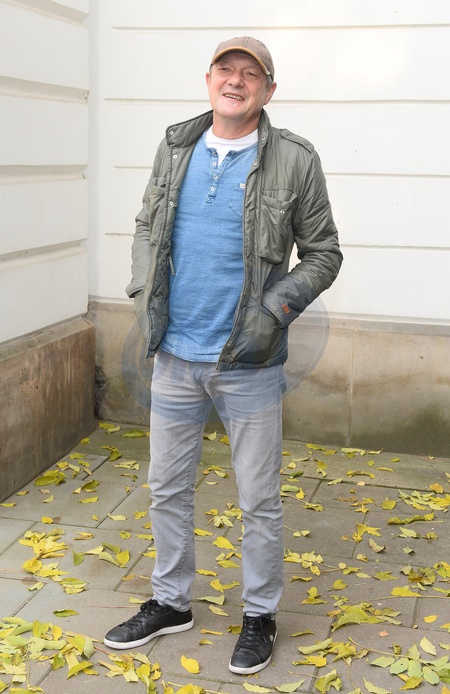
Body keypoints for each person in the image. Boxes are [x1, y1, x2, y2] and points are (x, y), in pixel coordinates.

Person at [104, 36, 342, 674]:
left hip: (248, 361)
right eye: (225, 69)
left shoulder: (293, 159)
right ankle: (170, 601)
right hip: (174, 355)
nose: (236, 81)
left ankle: (260, 614)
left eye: (251, 74)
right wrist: (141, 292)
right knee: (166, 488)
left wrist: (273, 311)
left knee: (258, 498)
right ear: (209, 79)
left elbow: (324, 253)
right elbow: (147, 226)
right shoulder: (176, 146)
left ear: (268, 90)